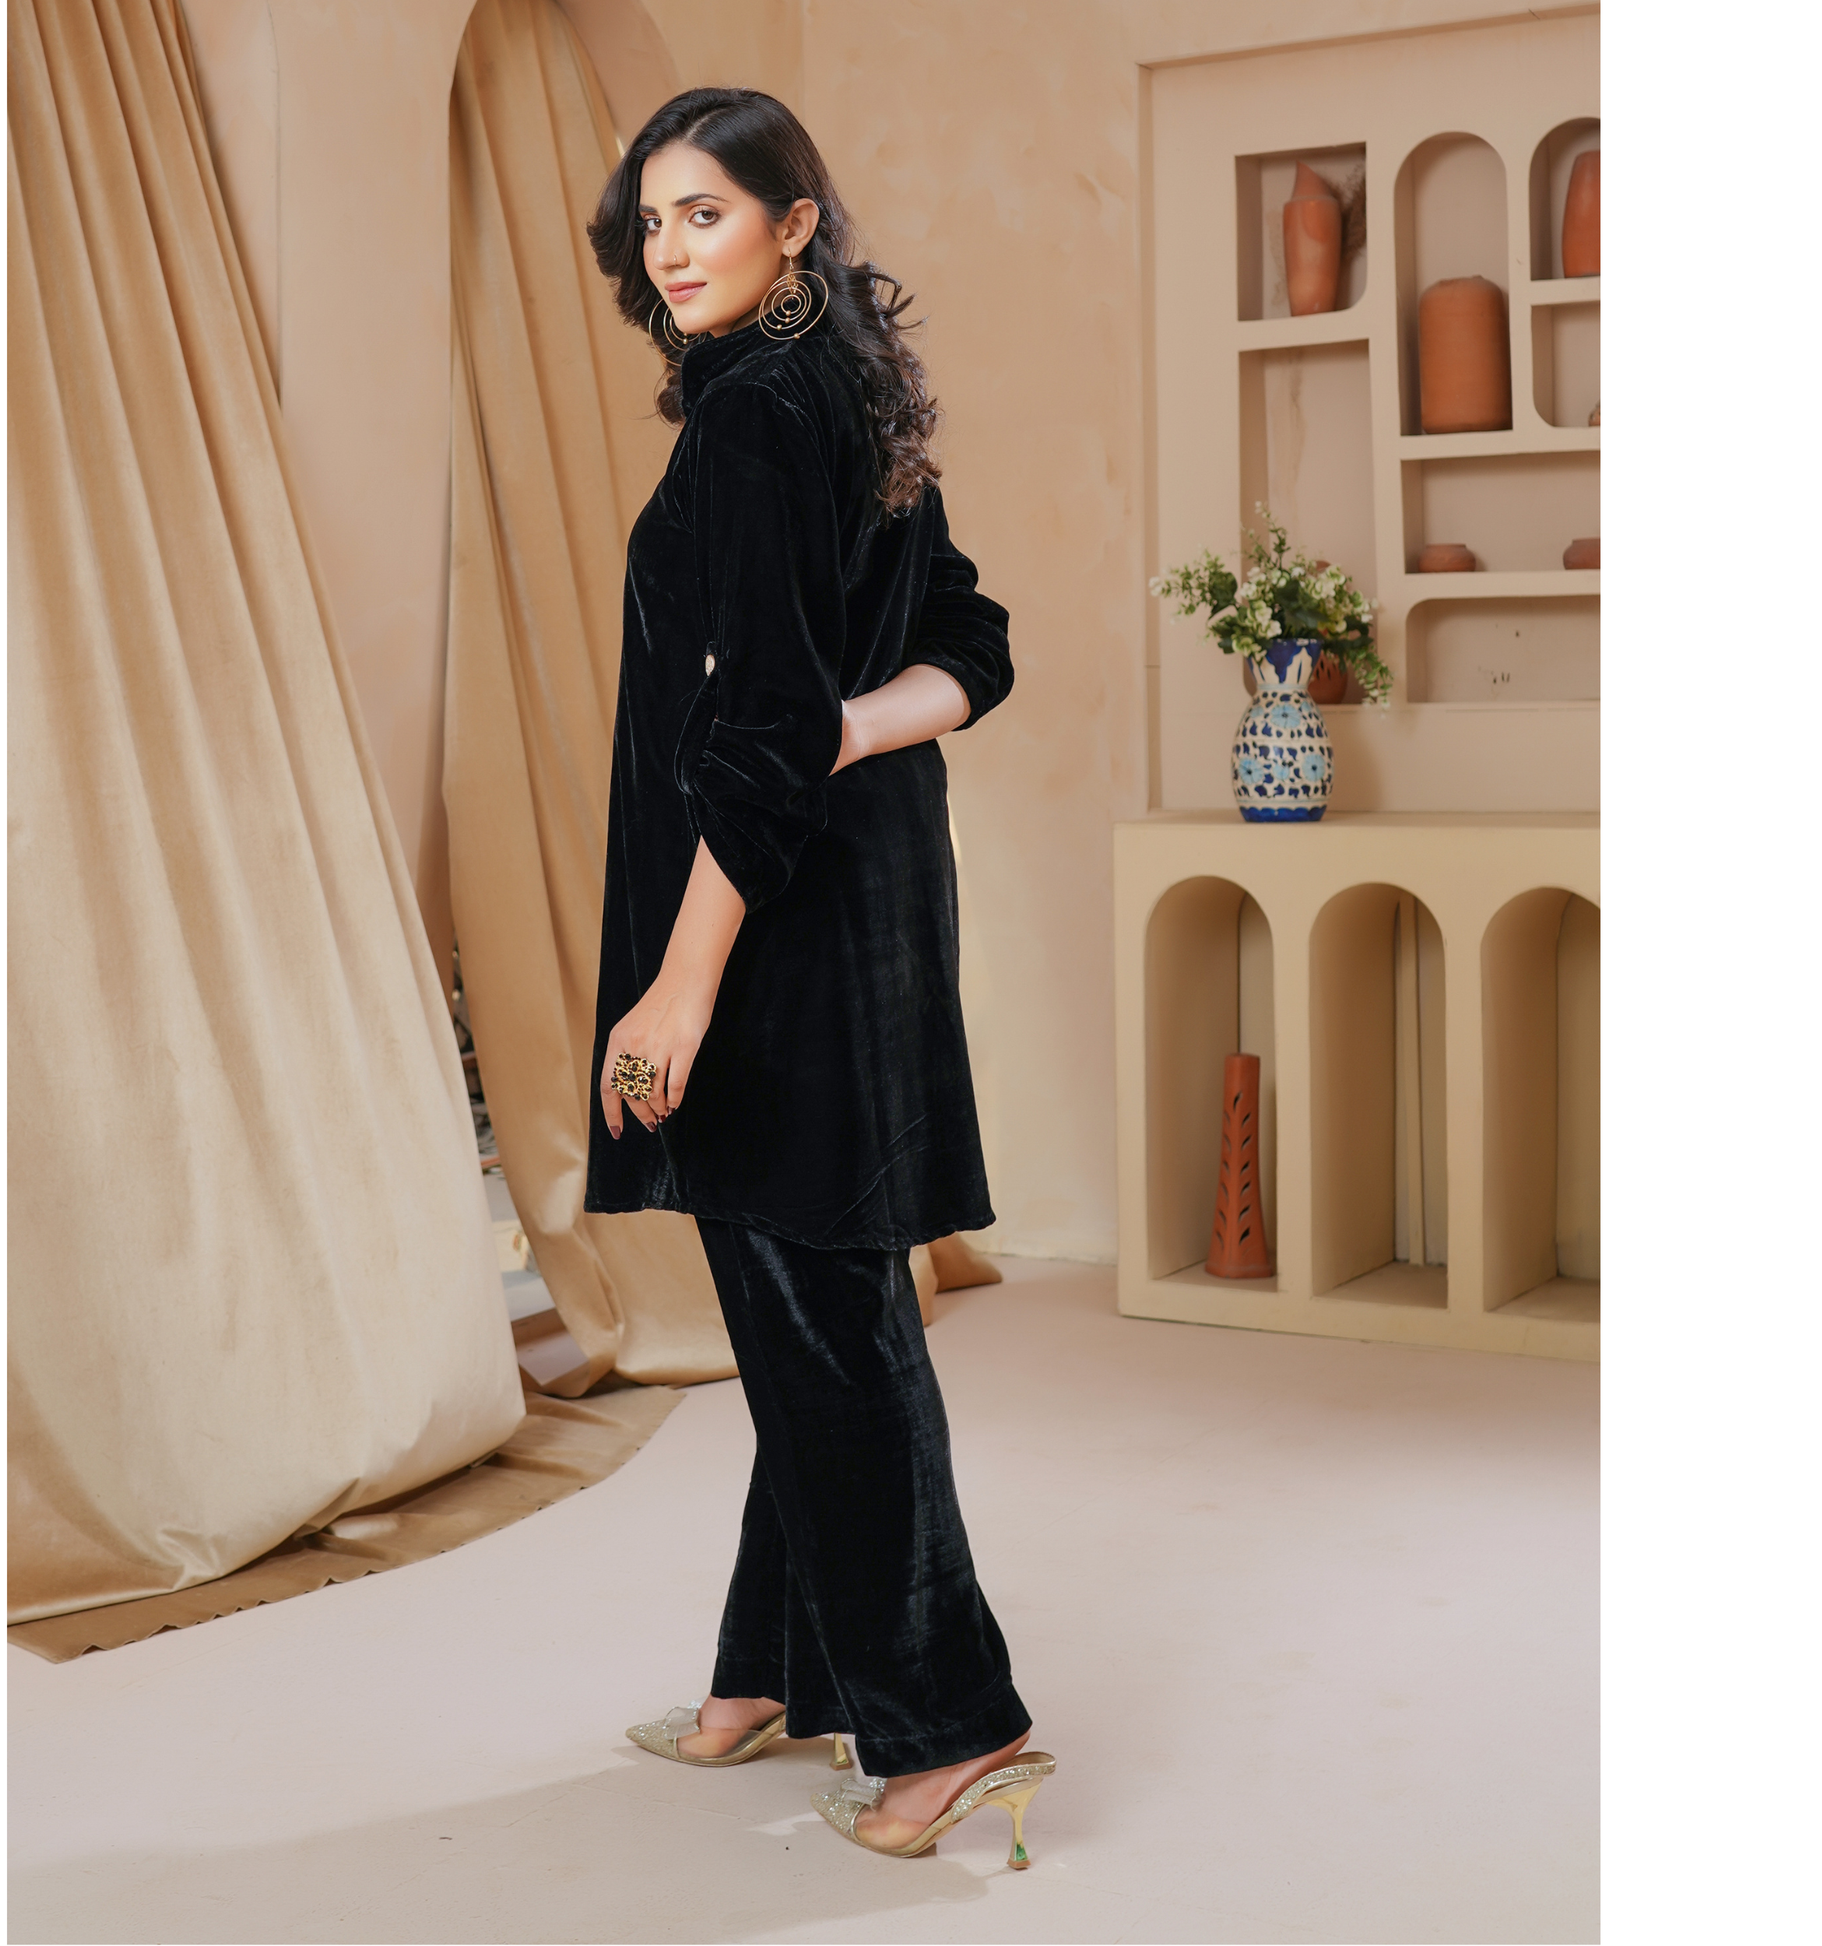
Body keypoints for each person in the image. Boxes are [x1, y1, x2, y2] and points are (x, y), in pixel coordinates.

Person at [582, 88, 1054, 1868]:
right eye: (650, 221)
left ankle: (952, 1725)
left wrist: (680, 988)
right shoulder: (841, 393)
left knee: (821, 1322)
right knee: (812, 1300)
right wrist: (851, 729)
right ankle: (772, 1671)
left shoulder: (758, 416)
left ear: (793, 221)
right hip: (868, 912)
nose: (668, 248)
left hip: (771, 935)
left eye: (703, 212)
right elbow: (966, 648)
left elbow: (765, 736)